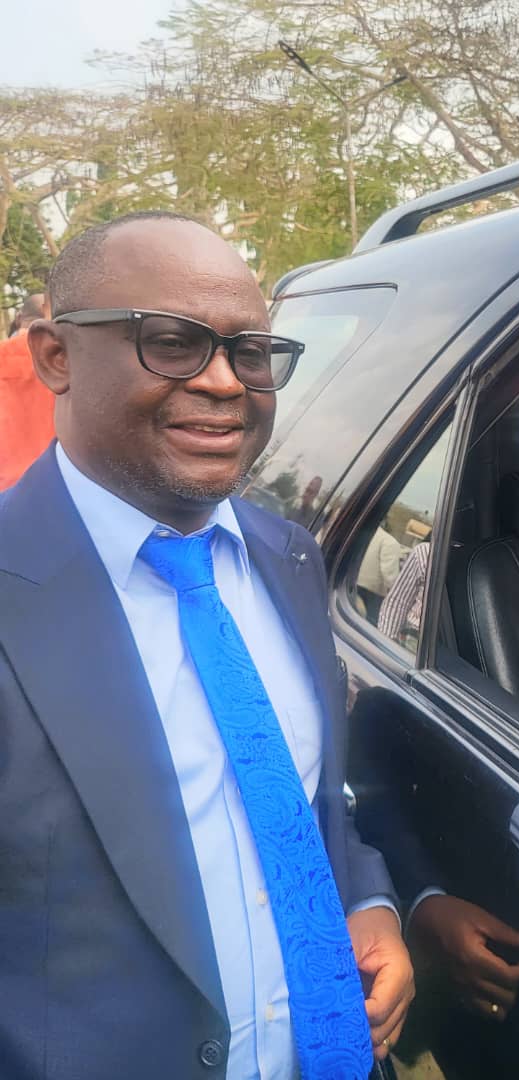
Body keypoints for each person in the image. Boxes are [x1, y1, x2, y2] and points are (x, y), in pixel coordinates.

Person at [0, 212, 413, 1079]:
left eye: (250, 351)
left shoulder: (287, 556)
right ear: (56, 356)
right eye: (172, 343)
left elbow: (302, 793)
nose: (225, 381)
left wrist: (366, 896)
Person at [0, 292, 56, 490]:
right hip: (56, 481)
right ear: (46, 311)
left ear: (20, 317)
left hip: (7, 486)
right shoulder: (62, 357)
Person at [357, 524, 404, 624]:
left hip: (350, 589)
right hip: (372, 599)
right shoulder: (390, 542)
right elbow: (390, 579)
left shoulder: (360, 533)